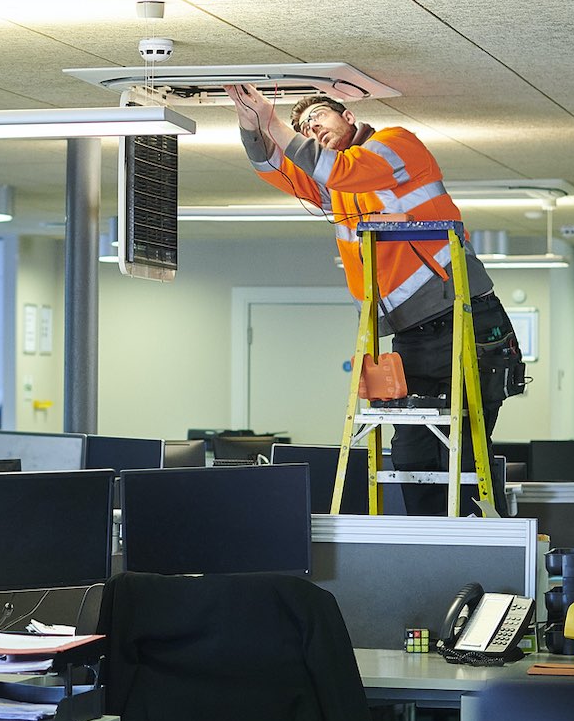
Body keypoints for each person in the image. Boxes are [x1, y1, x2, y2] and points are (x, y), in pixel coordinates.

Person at [224, 84, 522, 515]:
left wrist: (275, 122)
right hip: (411, 334)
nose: (312, 128)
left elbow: (343, 170)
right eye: (304, 127)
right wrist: (252, 127)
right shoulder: (336, 185)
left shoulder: (394, 145)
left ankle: (484, 547)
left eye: (320, 117)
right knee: (412, 456)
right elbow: (278, 169)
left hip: (464, 314)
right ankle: (429, 547)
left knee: (467, 450)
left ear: (348, 116)